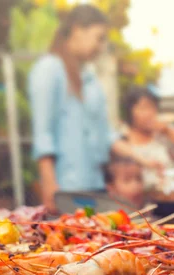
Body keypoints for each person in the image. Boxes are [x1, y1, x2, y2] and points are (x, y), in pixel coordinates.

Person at [28, 5, 128, 214]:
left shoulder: (89, 77)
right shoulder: (49, 69)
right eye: (98, 38)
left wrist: (143, 159)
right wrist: (49, 183)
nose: (101, 46)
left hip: (95, 185)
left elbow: (104, 134)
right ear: (77, 30)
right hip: (66, 189)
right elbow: (43, 132)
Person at [113, 87, 174, 189]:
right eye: (143, 108)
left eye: (152, 107)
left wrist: (168, 132)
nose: (149, 114)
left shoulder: (162, 135)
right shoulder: (121, 140)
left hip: (172, 195)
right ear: (130, 112)